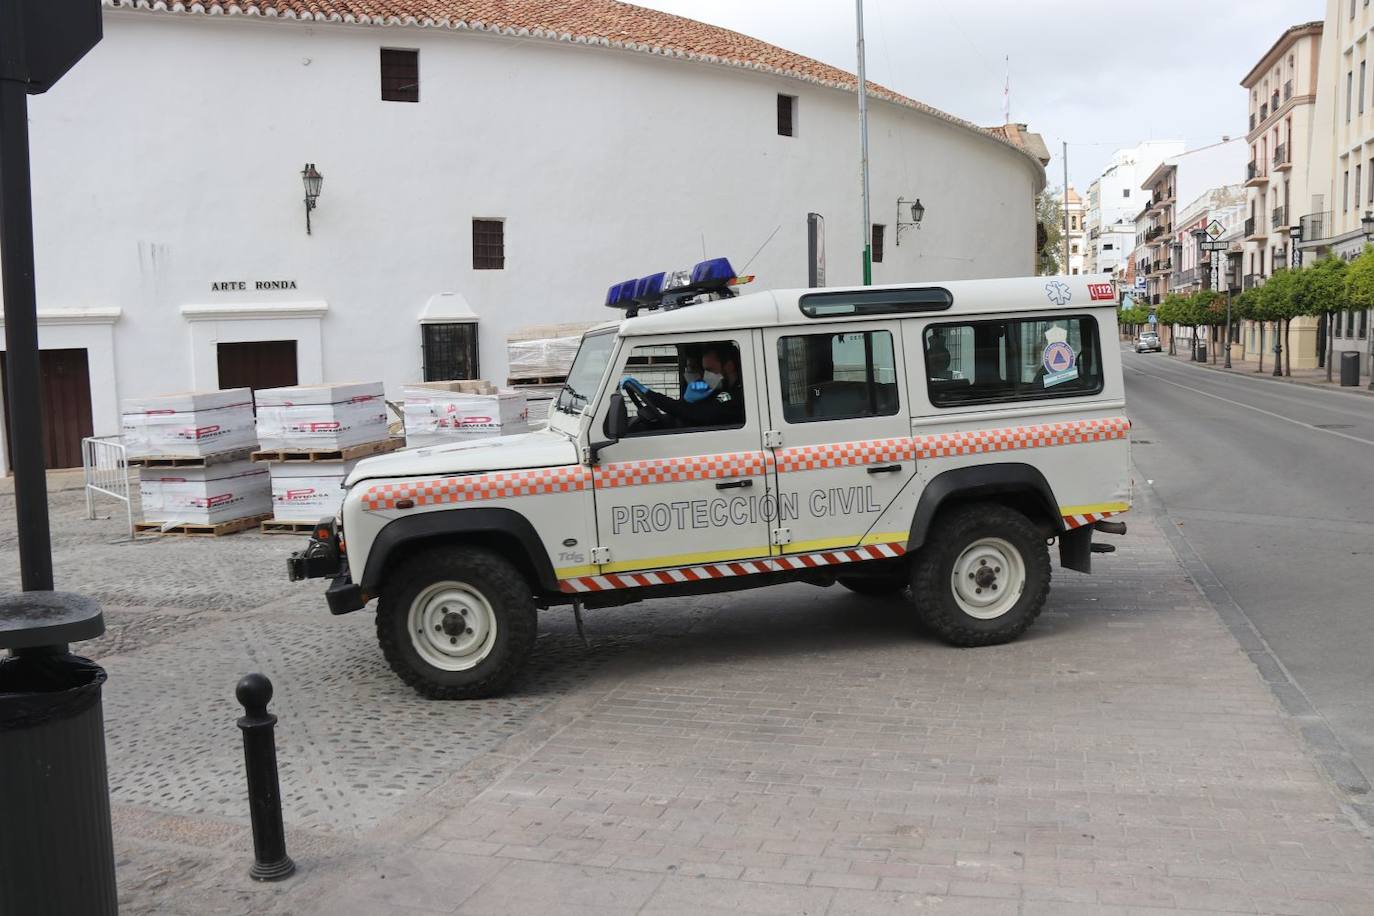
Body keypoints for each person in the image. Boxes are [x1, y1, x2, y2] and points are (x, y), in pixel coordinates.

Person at [621, 343, 745, 429]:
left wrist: (649, 394)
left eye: (710, 369)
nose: (706, 375)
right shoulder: (721, 391)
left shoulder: (737, 395)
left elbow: (700, 415)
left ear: (729, 366)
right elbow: (687, 412)